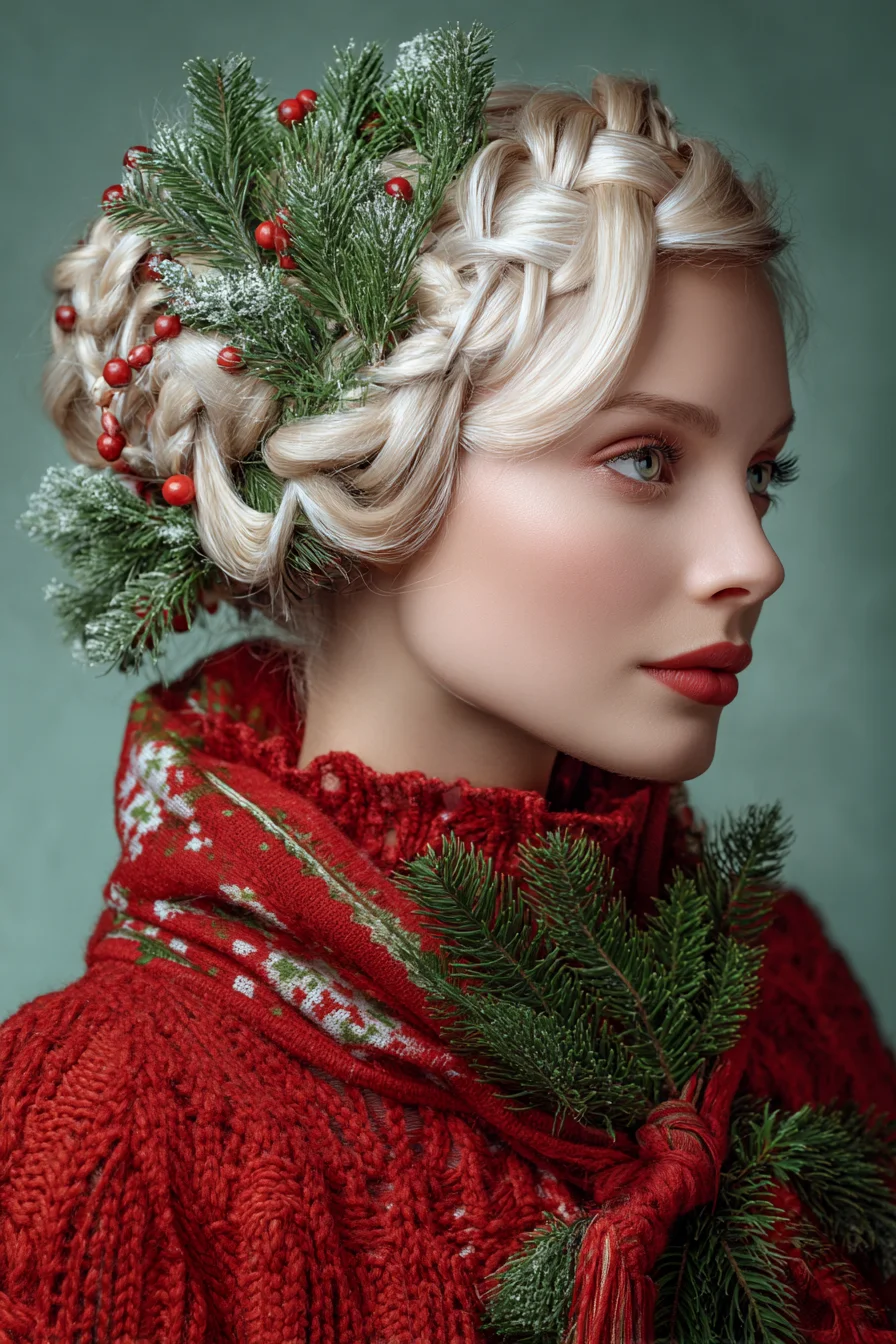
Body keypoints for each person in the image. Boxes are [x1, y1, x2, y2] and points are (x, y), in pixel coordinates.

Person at [4, 25, 896, 1344]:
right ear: (376, 462)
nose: (752, 560)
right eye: (647, 459)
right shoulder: (114, 1120)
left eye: (761, 472)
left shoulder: (779, 992)